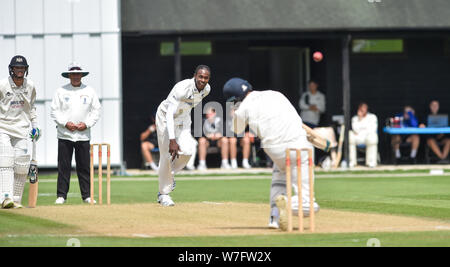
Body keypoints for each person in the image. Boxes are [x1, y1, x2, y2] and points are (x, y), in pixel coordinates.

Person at [223, 77, 319, 231]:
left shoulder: (243, 109)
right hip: (298, 145)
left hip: (274, 150)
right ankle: (287, 204)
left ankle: (274, 217)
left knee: (279, 176)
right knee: (310, 205)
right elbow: (294, 117)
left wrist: (235, 113)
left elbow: (236, 130)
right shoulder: (275, 94)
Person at [155, 65, 211, 206]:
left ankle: (169, 175)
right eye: (200, 76)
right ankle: (163, 194)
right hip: (165, 118)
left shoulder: (207, 90)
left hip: (184, 119)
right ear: (195, 76)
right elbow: (169, 113)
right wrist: (172, 140)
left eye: (206, 77)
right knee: (166, 155)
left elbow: (187, 107)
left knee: (189, 149)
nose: (203, 80)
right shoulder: (182, 88)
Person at [51, 62, 101, 204]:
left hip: (83, 135)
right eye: (73, 74)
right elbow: (54, 111)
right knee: (64, 167)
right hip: (65, 134)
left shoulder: (89, 91)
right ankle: (61, 196)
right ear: (69, 76)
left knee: (84, 167)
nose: (76, 77)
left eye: (78, 74)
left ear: (81, 75)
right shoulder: (61, 91)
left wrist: (86, 124)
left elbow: (96, 110)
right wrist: (65, 123)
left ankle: (87, 196)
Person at [0, 55, 40, 209]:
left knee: (22, 165)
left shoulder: (30, 86)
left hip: (22, 128)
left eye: (22, 68)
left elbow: (32, 107)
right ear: (11, 69)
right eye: (17, 68)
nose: (20, 70)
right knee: (6, 160)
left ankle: (16, 200)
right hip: (3, 127)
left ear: (26, 69)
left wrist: (35, 125)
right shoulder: (3, 85)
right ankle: (5, 197)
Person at [349, 102, 378, 168]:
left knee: (372, 137)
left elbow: (372, 129)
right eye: (361, 109)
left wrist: (362, 131)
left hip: (368, 137)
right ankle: (352, 162)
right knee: (350, 136)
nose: (363, 110)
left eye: (364, 108)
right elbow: (355, 129)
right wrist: (360, 118)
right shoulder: (355, 118)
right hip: (358, 138)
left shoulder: (372, 117)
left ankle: (371, 162)